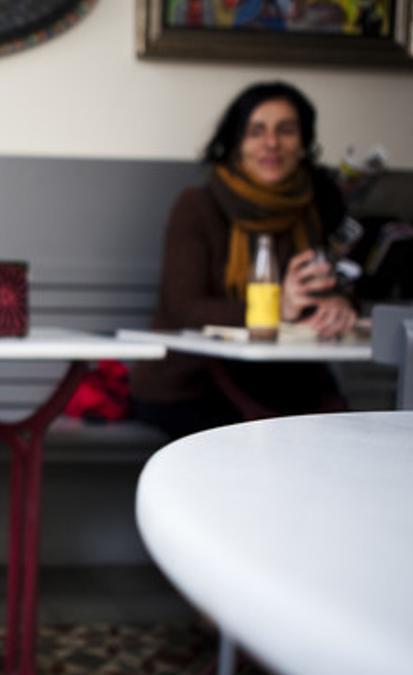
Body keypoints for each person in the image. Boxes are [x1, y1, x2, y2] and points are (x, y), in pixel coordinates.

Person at [130, 81, 357, 440]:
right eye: (256, 131)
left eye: (285, 130)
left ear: (304, 144)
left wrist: (337, 304)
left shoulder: (315, 207)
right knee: (269, 443)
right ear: (235, 143)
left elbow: (334, 282)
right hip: (193, 384)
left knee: (341, 432)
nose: (271, 143)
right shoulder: (197, 205)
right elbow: (184, 308)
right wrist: (275, 308)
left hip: (287, 381)